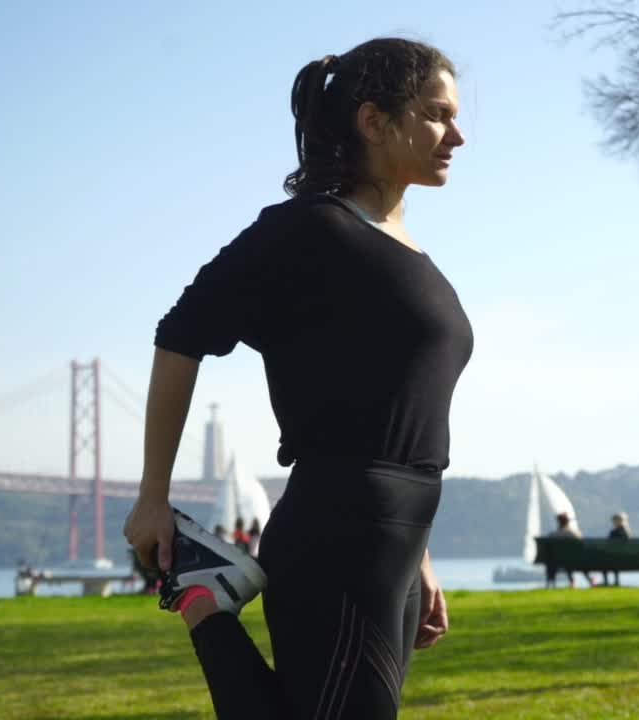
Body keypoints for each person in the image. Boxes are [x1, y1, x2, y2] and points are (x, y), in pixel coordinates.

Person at [122, 36, 470, 719]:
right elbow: (181, 333)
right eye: (437, 113)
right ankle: (202, 597)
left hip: (397, 533)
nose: (457, 134)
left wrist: (420, 558)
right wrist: (152, 497)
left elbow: (400, 408)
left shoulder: (405, 248)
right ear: (373, 121)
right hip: (338, 526)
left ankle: (203, 593)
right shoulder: (309, 230)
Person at [544, 512, 586, 588]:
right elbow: (581, 542)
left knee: (552, 561)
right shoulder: (573, 534)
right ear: (567, 522)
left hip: (555, 561)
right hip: (572, 561)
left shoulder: (553, 535)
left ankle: (551, 584)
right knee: (569, 560)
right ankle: (572, 582)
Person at [603, 511, 631, 587]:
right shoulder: (627, 533)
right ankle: (616, 581)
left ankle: (606, 582)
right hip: (627, 559)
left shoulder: (613, 532)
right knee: (615, 559)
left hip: (614, 558)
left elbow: (608, 545)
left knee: (604, 561)